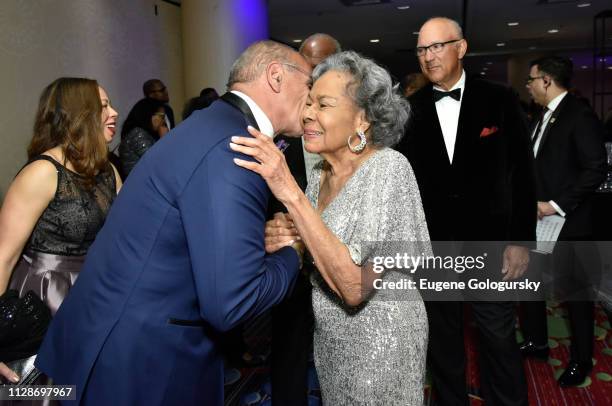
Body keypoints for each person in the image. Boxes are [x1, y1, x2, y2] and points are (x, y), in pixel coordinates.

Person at [35, 40, 311, 406]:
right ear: (276, 76)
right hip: (140, 362)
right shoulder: (234, 145)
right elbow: (233, 302)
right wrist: (293, 252)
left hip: (113, 335)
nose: (311, 99)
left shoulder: (212, 124)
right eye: (308, 84)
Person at [231, 50, 430, 405]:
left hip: (383, 345)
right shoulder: (321, 175)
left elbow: (353, 286)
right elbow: (318, 249)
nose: (306, 114)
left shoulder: (389, 169)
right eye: (307, 102)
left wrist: (289, 193)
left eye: (322, 105)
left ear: (362, 119)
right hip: (332, 342)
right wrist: (291, 236)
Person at [397, 17, 536, 406]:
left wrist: (521, 241)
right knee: (442, 341)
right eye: (422, 49)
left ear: (461, 48)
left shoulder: (499, 99)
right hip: (434, 246)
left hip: (490, 245)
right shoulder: (409, 110)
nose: (428, 56)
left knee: (497, 335)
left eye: (437, 46)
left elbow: (523, 176)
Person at [0, 77, 121, 382]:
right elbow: (3, 256)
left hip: (93, 289)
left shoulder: (107, 169)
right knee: (51, 389)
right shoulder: (42, 172)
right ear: (79, 115)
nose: (115, 112)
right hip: (47, 295)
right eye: (104, 106)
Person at [520, 56, 606, 387]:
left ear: (547, 80)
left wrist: (555, 205)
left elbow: (595, 168)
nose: (527, 86)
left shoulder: (579, 114)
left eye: (531, 79)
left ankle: (582, 359)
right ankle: (537, 343)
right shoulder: (542, 117)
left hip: (569, 223)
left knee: (577, 295)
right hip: (539, 222)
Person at [268, 32, 341, 406]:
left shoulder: (355, 128)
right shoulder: (282, 127)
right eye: (308, 67)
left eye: (322, 66)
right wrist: (273, 224)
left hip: (341, 259)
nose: (313, 76)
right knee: (289, 353)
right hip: (293, 262)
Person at [119, 97, 168, 178]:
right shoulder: (138, 134)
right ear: (149, 114)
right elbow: (158, 163)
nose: (163, 121)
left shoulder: (141, 133)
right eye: (161, 117)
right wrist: (165, 139)